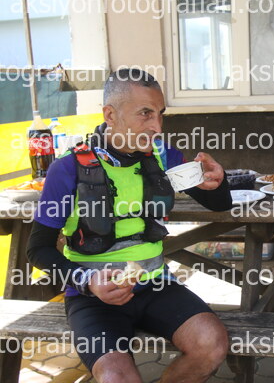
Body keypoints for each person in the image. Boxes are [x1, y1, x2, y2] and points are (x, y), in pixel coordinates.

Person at [27, 69, 233, 383]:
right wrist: (88, 280)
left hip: (155, 285)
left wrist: (218, 182)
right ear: (110, 114)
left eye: (161, 114)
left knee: (211, 344)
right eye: (145, 113)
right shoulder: (68, 168)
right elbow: (37, 250)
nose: (157, 126)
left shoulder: (163, 156)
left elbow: (217, 203)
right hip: (92, 297)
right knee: (116, 377)